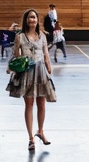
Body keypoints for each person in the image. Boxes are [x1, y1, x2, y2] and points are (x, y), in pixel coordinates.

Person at [6, 8, 57, 151]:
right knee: (29, 104)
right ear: (26, 20)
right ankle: (30, 138)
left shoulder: (42, 36)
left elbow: (46, 54)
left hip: (41, 73)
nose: (32, 20)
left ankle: (40, 131)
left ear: (37, 20)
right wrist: (12, 67)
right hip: (27, 73)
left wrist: (49, 69)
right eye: (29, 17)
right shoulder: (20, 37)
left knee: (42, 103)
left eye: (34, 17)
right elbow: (16, 56)